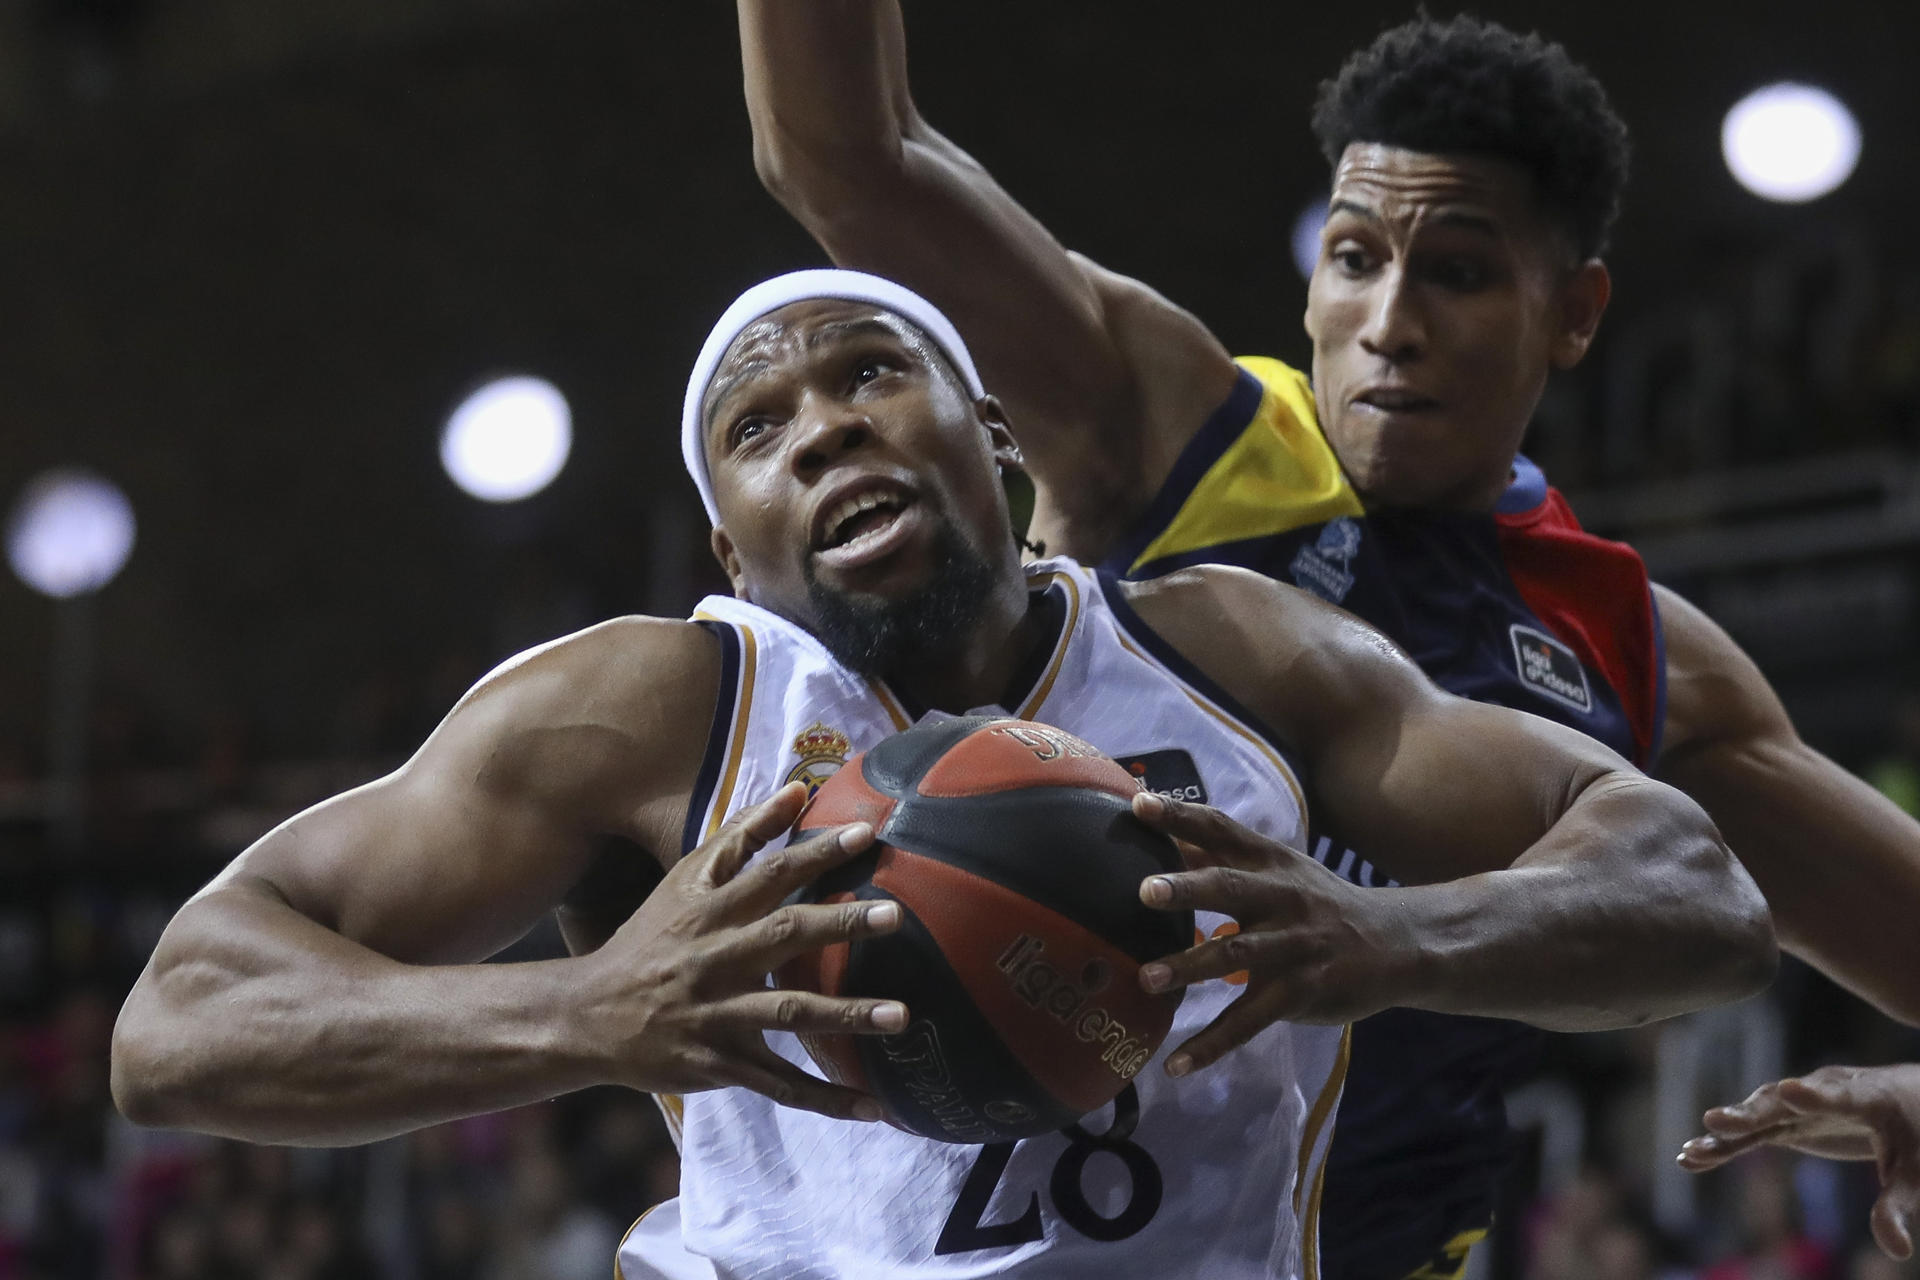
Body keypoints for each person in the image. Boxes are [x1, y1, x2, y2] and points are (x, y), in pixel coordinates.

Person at [113, 272, 1775, 1279]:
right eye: (760, 431)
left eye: (866, 374)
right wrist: (596, 1013)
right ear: (733, 546)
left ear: (993, 441)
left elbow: (1695, 889)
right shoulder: (651, 707)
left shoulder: (1234, 655)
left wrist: (1399, 944)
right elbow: (179, 1024)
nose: (823, 428)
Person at [736, 7, 1920, 1276]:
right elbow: (850, 160)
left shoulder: (1631, 644)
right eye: (1354, 257)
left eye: (1456, 271)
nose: (1389, 319)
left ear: (1573, 313)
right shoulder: (1181, 434)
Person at [1683, 1063, 1920, 1263]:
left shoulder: (1814, 1258)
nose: (1760, 1202)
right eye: (1753, 1194)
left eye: (1767, 1190)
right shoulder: (1725, 1268)